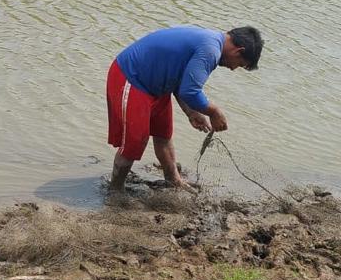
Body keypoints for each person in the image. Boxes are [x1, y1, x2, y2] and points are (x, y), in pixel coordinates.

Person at [107, 25, 264, 190]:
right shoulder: (211, 50)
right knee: (135, 142)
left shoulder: (210, 42)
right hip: (133, 78)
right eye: (239, 64)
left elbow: (182, 82)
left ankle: (173, 179)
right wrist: (214, 112)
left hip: (158, 85)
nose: (233, 69)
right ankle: (115, 190)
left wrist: (191, 112)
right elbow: (190, 91)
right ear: (238, 50)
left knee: (163, 134)